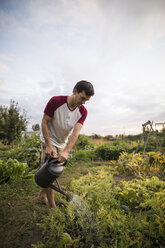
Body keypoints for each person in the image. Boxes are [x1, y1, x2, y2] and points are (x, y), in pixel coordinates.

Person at [38, 80, 94, 208]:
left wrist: (66, 150)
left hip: (62, 142)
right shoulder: (56, 101)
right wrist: (48, 145)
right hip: (49, 139)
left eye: (87, 100)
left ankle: (42, 194)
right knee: (50, 173)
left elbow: (76, 132)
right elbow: (44, 122)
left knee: (53, 170)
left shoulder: (83, 112)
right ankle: (53, 207)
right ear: (75, 91)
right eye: (82, 98)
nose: (84, 102)